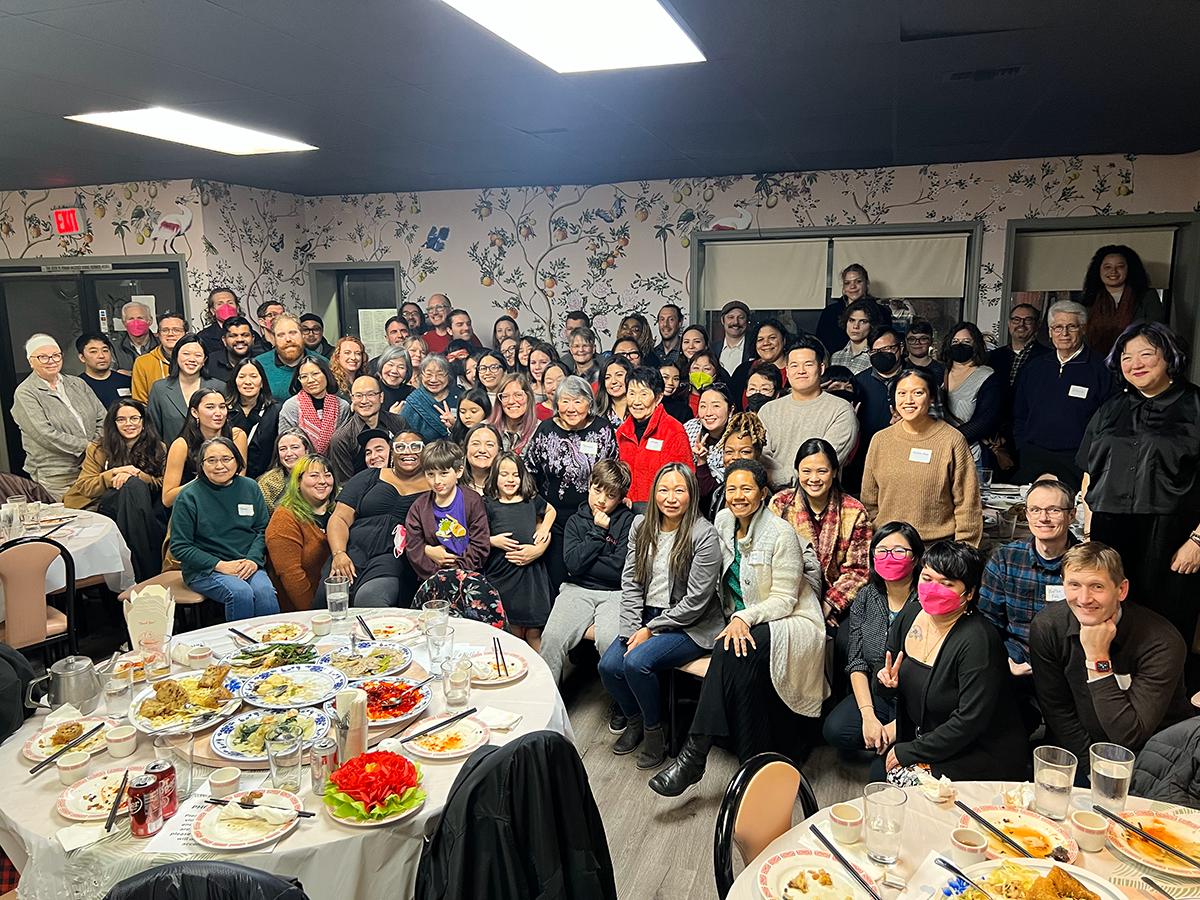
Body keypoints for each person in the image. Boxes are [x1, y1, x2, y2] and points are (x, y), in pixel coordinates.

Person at [650, 459, 826, 795]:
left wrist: (743, 618)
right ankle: (752, 764)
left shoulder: (781, 533)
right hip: (740, 619)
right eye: (731, 488)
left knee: (729, 648)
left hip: (790, 620)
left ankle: (694, 755)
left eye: (746, 489)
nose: (738, 496)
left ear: (763, 493)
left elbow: (785, 599)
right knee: (736, 657)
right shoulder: (723, 520)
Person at [1078, 322, 1200, 671]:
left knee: (1168, 627)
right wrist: (1088, 535)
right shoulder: (1110, 409)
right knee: (1112, 620)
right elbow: (1090, 475)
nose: (1136, 363)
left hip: (1174, 535)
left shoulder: (1195, 406)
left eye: (1146, 354)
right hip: (1110, 530)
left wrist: (1198, 541)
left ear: (1170, 357)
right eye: (1127, 357)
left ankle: (1167, 712)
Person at [1030, 542, 1193, 779]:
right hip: (1083, 751)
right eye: (1074, 585)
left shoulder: (1162, 641)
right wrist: (1092, 771)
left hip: (1156, 754)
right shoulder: (1048, 627)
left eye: (1097, 586)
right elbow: (1058, 710)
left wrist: (1097, 660)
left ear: (1121, 589)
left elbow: (1130, 735)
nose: (1084, 599)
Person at [600, 463, 723, 769]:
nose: (670, 497)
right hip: (646, 617)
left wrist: (651, 630)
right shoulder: (641, 526)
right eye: (664, 489)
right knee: (608, 665)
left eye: (679, 490)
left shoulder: (704, 535)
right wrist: (632, 629)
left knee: (636, 662)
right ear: (654, 492)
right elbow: (630, 583)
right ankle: (635, 720)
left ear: (691, 494)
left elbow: (696, 602)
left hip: (689, 625)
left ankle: (656, 734)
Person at [874, 540, 1026, 781]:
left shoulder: (978, 640)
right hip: (928, 737)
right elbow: (885, 676)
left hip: (976, 751)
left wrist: (911, 750)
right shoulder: (911, 614)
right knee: (880, 777)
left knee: (892, 783)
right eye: (927, 579)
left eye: (947, 584)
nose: (934, 589)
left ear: (970, 592)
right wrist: (885, 682)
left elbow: (969, 721)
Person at [822, 522, 923, 755]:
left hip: (918, 701)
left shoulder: (926, 600)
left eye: (899, 551)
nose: (889, 557)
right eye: (882, 550)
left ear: (915, 558)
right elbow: (857, 661)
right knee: (835, 729)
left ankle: (906, 738)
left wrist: (898, 728)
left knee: (883, 773)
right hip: (880, 694)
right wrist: (868, 715)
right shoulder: (867, 596)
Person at [539, 459, 635, 684]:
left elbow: (619, 569)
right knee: (551, 638)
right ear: (589, 485)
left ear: (621, 498)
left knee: (609, 641)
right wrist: (598, 533)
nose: (601, 500)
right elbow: (571, 565)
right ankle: (548, 703)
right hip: (576, 589)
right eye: (597, 490)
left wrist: (584, 565)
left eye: (610, 496)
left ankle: (622, 704)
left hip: (615, 592)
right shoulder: (575, 521)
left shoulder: (628, 521)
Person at [861, 367, 982, 545]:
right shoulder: (880, 440)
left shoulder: (951, 440)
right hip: (889, 549)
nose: (908, 400)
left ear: (931, 397)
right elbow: (869, 500)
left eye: (918, 393)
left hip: (937, 549)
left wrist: (963, 552)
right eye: (901, 393)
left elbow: (967, 503)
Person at [525, 375, 619, 591]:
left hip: (592, 517)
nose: (571, 408)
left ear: (589, 403)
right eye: (565, 401)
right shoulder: (546, 429)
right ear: (557, 403)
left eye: (578, 401)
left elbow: (613, 472)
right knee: (557, 579)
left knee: (586, 575)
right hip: (552, 518)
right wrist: (538, 513)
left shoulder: (602, 430)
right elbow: (529, 473)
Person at [170, 436, 278, 621]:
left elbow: (262, 530)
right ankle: (240, 648)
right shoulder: (189, 496)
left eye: (226, 459)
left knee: (265, 592)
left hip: (246, 563)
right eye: (211, 460)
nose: (219, 465)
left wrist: (252, 560)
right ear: (201, 464)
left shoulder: (250, 487)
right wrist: (220, 565)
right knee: (240, 592)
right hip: (205, 569)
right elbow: (180, 546)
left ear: (237, 461)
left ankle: (273, 647)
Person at [770, 438, 872, 626]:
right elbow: (772, 561)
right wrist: (808, 606)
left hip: (837, 602)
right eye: (806, 471)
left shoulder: (854, 511)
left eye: (822, 471)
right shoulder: (780, 504)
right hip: (791, 597)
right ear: (798, 471)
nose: (814, 479)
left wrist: (828, 604)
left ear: (834, 472)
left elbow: (859, 570)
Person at [980, 479, 1079, 673]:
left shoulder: (1089, 565)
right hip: (1016, 659)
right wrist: (1003, 659)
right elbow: (987, 621)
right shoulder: (1006, 559)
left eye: (1054, 510)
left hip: (1069, 663)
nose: (1043, 518)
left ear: (1072, 515)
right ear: (1026, 514)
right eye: (1035, 510)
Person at [62, 398, 167, 581]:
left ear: (143, 420)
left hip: (147, 511)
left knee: (134, 486)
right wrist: (113, 474)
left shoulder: (159, 448)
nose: (129, 424)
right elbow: (85, 486)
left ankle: (134, 578)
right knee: (131, 487)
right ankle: (149, 577)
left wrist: (137, 475)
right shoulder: (99, 449)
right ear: (113, 423)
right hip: (108, 511)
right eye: (121, 419)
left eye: (134, 418)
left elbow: (164, 484)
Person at [1011, 301, 1112, 488]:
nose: (1063, 333)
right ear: (1049, 332)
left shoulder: (1102, 370)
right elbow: (1020, 412)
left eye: (1071, 326)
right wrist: (1022, 444)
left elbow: (1110, 420)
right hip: (1033, 456)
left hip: (1078, 460)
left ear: (1083, 329)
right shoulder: (1035, 367)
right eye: (1057, 327)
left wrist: (1092, 454)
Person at [324, 431, 429, 608]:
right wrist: (339, 553)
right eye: (400, 447)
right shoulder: (369, 477)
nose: (407, 452)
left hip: (394, 557)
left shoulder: (436, 486)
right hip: (352, 550)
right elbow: (340, 517)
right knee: (329, 601)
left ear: (426, 452)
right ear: (392, 453)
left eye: (415, 447)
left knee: (369, 599)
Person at [11, 335, 106, 499]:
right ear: (30, 361)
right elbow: (44, 434)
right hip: (57, 475)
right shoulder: (26, 392)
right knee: (68, 519)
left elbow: (103, 418)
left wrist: (93, 451)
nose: (51, 361)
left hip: (92, 467)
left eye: (56, 355)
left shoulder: (77, 383)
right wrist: (86, 447)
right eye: (43, 357)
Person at [759, 335, 859, 490]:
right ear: (787, 371)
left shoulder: (841, 411)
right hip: (772, 504)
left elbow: (822, 465)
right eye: (794, 365)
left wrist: (775, 477)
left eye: (808, 364)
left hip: (821, 505)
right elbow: (761, 457)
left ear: (821, 368)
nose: (801, 371)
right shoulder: (768, 411)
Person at [485, 451, 555, 647]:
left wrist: (544, 528)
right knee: (511, 631)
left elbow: (551, 510)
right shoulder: (488, 504)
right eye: (504, 474)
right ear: (494, 476)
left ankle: (542, 675)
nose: (510, 479)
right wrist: (493, 540)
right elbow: (476, 536)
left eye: (516, 474)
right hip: (503, 575)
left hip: (532, 577)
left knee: (534, 632)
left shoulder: (530, 499)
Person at [405, 440, 491, 584]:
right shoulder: (419, 507)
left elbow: (480, 544)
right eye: (430, 474)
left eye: (444, 473)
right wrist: (438, 576)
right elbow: (413, 548)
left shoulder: (472, 501)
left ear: (459, 471)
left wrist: (459, 572)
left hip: (470, 577)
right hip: (432, 581)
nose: (437, 481)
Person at [266, 454, 335, 611]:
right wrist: (313, 612)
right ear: (298, 482)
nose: (323, 481)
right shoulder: (284, 517)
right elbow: (291, 575)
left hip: (338, 602)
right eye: (314, 476)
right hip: (302, 610)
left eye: (327, 475)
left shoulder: (340, 512)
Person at [616, 366, 694, 504]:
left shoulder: (674, 431)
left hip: (660, 511)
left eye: (644, 394)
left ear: (658, 398)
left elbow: (685, 480)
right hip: (625, 512)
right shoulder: (622, 433)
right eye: (632, 393)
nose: (636, 401)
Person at [162, 387, 249, 507]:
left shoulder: (237, 436)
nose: (218, 413)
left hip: (229, 502)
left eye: (222, 407)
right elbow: (167, 499)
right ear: (194, 412)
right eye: (210, 407)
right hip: (193, 507)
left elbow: (240, 481)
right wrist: (202, 481)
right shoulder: (181, 445)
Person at [1080, 245, 1167, 358]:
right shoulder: (1089, 299)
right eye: (1107, 267)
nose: (1113, 271)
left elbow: (1156, 331)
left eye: (1120, 266)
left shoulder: (1147, 296)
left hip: (1137, 361)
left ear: (1129, 269)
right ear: (1098, 270)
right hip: (1095, 364)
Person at [848, 326, 906, 491]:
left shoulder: (917, 380)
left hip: (904, 460)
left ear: (900, 348)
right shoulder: (858, 382)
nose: (881, 354)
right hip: (864, 461)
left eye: (887, 348)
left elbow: (935, 421)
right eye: (875, 351)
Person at [326, 375, 410, 483]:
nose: (364, 401)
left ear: (381, 397)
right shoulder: (341, 438)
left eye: (371, 394)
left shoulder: (399, 423)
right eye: (359, 396)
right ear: (352, 399)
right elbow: (345, 484)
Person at [942, 321, 1001, 466]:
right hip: (939, 455)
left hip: (970, 457)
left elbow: (985, 420)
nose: (960, 345)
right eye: (955, 341)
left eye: (966, 341)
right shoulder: (939, 374)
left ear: (976, 345)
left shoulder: (987, 377)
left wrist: (947, 440)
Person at [147, 334, 223, 444]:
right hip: (172, 456)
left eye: (198, 355)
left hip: (210, 456)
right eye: (186, 354)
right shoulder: (160, 389)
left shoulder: (218, 387)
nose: (192, 359)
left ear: (205, 360)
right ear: (176, 356)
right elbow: (153, 430)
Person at [278, 357, 351, 456]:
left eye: (315, 374)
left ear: (326, 375)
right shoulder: (291, 407)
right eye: (304, 377)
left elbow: (344, 445)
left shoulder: (342, 406)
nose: (310, 380)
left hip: (333, 465)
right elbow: (285, 445)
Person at [684, 383, 736, 515]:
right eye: (703, 406)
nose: (708, 413)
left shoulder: (738, 437)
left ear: (731, 410)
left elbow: (712, 492)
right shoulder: (689, 429)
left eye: (716, 406)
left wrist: (702, 462)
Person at [817, 263, 891, 355]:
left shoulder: (881, 312)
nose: (852, 287)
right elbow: (821, 345)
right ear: (843, 287)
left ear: (867, 283)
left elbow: (887, 343)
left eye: (858, 281)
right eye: (847, 283)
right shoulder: (830, 313)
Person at [225, 358, 280, 479]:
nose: (248, 382)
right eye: (242, 377)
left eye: (254, 376)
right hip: (231, 479)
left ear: (262, 382)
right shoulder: (224, 412)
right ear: (234, 381)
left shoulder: (276, 410)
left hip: (267, 479)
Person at [255, 313, 323, 398]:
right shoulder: (258, 365)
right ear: (274, 339)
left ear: (302, 335)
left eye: (292, 333)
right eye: (281, 335)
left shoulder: (322, 363)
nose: (288, 339)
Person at [131, 311, 188, 403]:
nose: (170, 334)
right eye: (165, 330)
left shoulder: (196, 360)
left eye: (177, 330)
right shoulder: (143, 363)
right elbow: (140, 402)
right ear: (159, 335)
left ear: (186, 334)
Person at [403, 354, 461, 443]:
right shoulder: (414, 401)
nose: (434, 380)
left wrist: (455, 426)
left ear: (448, 376)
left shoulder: (460, 396)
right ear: (421, 376)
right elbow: (403, 436)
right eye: (428, 375)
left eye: (440, 374)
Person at [730, 319, 787, 406]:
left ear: (784, 340)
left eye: (772, 338)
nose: (766, 343)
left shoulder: (796, 371)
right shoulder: (742, 371)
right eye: (760, 339)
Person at [989, 303, 1049, 386]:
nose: (1021, 324)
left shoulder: (1048, 357)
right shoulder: (992, 357)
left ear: (1037, 324)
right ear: (1009, 323)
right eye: (1016, 319)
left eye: (1028, 320)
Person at [256, 428, 315, 511]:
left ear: (307, 450)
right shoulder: (267, 482)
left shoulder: (323, 476)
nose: (289, 453)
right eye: (283, 449)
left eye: (295, 447)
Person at [76, 333, 132, 409]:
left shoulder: (126, 381)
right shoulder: (78, 386)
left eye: (105, 350)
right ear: (82, 357)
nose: (101, 356)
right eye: (93, 352)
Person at [195, 288, 249, 357]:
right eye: (220, 304)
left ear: (237, 308)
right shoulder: (203, 337)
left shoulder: (252, 334)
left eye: (230, 303)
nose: (226, 307)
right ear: (213, 311)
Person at [110, 300, 158, 374]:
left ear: (150, 321)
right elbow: (112, 375)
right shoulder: (114, 347)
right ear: (124, 323)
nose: (136, 322)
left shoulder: (161, 345)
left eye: (140, 318)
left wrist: (129, 374)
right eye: (131, 319)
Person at [206, 316, 257, 384]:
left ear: (253, 339)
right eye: (233, 336)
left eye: (245, 335)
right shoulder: (211, 362)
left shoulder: (262, 361)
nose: (240, 339)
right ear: (224, 340)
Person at [830, 299, 876, 375]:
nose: (855, 326)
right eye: (852, 320)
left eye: (863, 321)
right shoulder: (836, 357)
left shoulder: (874, 357)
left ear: (872, 325)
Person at [462, 423, 502, 495]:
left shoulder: (508, 487)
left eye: (490, 445)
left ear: (499, 451)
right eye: (475, 444)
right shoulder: (453, 486)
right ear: (466, 449)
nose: (482, 450)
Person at [375, 344, 414, 413]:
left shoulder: (412, 393)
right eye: (390, 365)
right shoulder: (372, 390)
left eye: (401, 367)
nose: (394, 371)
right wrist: (393, 417)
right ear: (382, 365)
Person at [903, 319, 945, 383]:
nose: (917, 343)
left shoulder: (942, 370)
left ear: (931, 341)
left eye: (923, 339)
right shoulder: (899, 367)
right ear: (906, 341)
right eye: (912, 339)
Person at [716, 300, 751, 375]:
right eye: (730, 317)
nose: (736, 322)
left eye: (741, 318)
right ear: (722, 320)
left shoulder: (754, 349)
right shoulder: (712, 349)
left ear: (747, 321)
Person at [596, 356, 633, 425]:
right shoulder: (597, 414)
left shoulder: (641, 409)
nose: (613, 381)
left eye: (619, 375)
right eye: (607, 377)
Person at [658, 357, 693, 423]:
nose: (670, 383)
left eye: (676, 379)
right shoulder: (645, 404)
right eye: (665, 377)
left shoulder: (683, 410)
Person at [527, 341, 558, 405]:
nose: (537, 367)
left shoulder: (562, 389)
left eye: (543, 362)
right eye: (533, 363)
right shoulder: (526, 390)